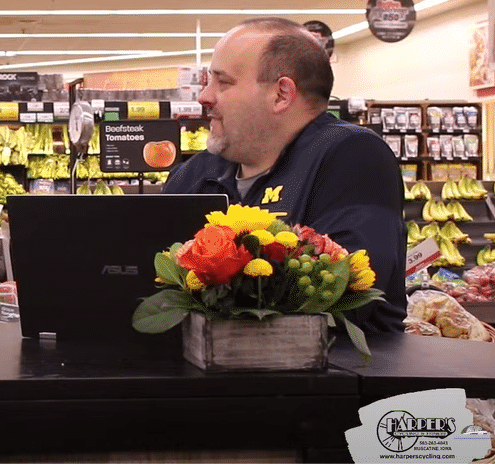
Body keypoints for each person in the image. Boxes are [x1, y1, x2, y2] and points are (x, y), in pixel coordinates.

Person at [163, 17, 407, 334]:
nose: (204, 96)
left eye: (223, 82)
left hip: (325, 377)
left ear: (281, 95)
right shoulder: (195, 172)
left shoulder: (351, 155)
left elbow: (343, 296)